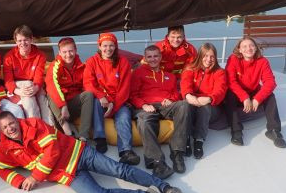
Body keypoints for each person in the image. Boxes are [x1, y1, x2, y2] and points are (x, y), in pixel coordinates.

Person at [0, 113, 187, 193]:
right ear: (1, 131)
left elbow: (52, 151)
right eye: (5, 127)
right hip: (69, 175)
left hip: (81, 153)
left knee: (120, 170)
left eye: (12, 123)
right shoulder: (5, 149)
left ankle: (166, 188)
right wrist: (19, 181)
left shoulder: (34, 124)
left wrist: (34, 177)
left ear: (17, 121)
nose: (10, 128)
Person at [130, 45, 192, 179]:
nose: (153, 59)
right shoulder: (138, 73)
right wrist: (143, 105)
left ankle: (177, 152)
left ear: (160, 57)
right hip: (146, 106)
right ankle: (157, 162)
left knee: (183, 105)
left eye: (156, 56)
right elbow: (132, 95)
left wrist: (171, 99)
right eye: (149, 56)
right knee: (144, 120)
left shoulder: (169, 75)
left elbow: (176, 94)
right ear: (145, 58)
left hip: (165, 106)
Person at [84, 33, 139, 166]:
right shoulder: (92, 61)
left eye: (111, 46)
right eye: (105, 46)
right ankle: (100, 138)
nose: (108, 49)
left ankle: (126, 151)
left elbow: (125, 88)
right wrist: (102, 96)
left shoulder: (123, 62)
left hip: (119, 101)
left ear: (115, 46)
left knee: (124, 116)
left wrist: (113, 106)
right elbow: (88, 83)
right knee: (95, 103)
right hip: (101, 99)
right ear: (99, 46)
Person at [224, 37, 286, 148]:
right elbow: (230, 81)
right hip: (238, 93)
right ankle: (236, 131)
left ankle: (274, 130)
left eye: (251, 45)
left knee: (270, 96)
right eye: (244, 46)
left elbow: (270, 82)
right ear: (239, 50)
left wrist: (257, 98)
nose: (248, 48)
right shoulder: (233, 59)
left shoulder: (262, 61)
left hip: (253, 92)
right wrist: (244, 97)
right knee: (230, 95)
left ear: (256, 48)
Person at [181, 43, 228, 159]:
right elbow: (185, 83)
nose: (208, 59)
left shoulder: (219, 72)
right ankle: (186, 137)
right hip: (193, 101)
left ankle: (199, 140)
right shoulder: (190, 68)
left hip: (211, 106)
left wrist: (209, 98)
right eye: (205, 56)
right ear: (200, 56)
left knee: (205, 108)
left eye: (212, 56)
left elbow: (220, 90)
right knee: (185, 105)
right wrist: (188, 95)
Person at [45, 37, 95, 139]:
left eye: (71, 51)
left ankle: (83, 136)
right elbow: (52, 85)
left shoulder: (82, 67)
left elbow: (88, 84)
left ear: (75, 50)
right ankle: (68, 131)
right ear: (59, 52)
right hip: (59, 110)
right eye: (64, 52)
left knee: (88, 95)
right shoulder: (55, 66)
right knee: (50, 93)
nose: (68, 55)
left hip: (73, 106)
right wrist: (63, 106)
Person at [3, 25, 51, 124]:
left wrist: (36, 88)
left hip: (34, 85)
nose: (23, 43)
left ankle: (50, 126)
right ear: (16, 41)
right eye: (19, 41)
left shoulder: (40, 55)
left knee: (43, 100)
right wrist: (18, 91)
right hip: (17, 86)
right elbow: (8, 80)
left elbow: (39, 76)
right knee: (28, 93)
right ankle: (36, 126)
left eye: (25, 40)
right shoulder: (9, 57)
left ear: (31, 39)